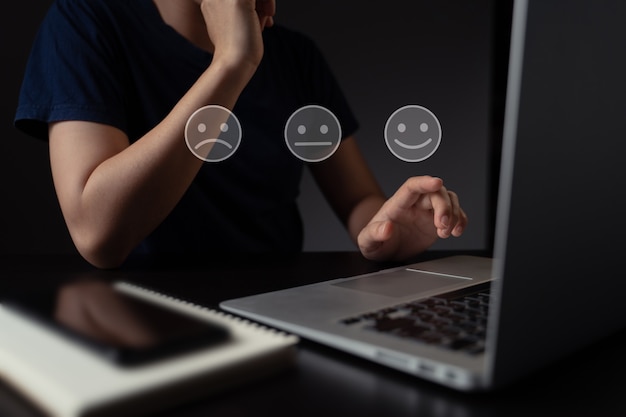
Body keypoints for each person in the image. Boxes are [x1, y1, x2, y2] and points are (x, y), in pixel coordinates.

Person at [14, 0, 467, 269]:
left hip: (277, 310)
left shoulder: (295, 56)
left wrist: (387, 228)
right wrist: (232, 63)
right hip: (137, 319)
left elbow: (355, 201)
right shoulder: (83, 22)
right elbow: (97, 234)